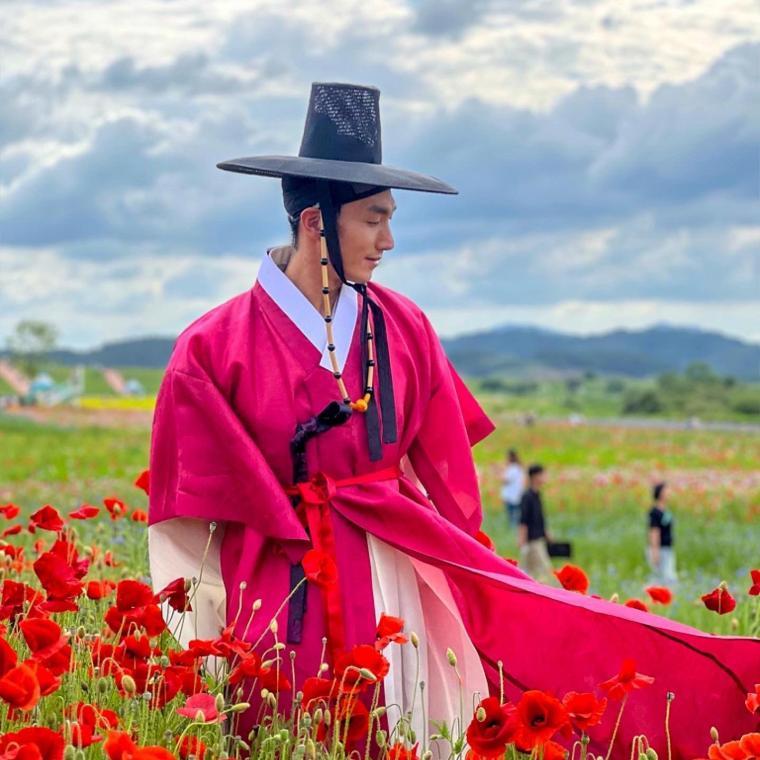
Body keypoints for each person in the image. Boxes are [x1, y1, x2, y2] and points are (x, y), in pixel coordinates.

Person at [148, 82, 759, 754]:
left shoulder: (403, 327)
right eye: (374, 218)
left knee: (406, 726)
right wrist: (202, 648)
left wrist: (473, 580)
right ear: (317, 220)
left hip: (393, 584)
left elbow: (448, 480)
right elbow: (190, 523)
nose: (389, 239)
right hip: (278, 588)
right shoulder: (211, 347)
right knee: (285, 733)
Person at [517, 463, 554, 583]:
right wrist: (522, 540)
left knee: (529, 573)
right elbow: (523, 520)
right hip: (532, 540)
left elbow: (539, 518)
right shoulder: (527, 497)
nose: (545, 477)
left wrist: (546, 532)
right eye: (542, 474)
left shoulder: (537, 495)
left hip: (539, 538)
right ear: (535, 476)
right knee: (545, 570)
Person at [647, 481, 677, 585]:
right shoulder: (655, 512)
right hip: (660, 549)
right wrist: (655, 552)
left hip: (667, 548)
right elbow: (654, 532)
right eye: (666, 490)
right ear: (660, 493)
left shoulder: (666, 511)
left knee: (665, 577)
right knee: (665, 578)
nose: (669, 492)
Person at [501, 448, 525, 526]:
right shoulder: (518, 467)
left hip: (511, 495)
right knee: (517, 513)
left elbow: (505, 480)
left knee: (512, 514)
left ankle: (513, 527)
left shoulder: (512, 468)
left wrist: (499, 473)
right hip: (517, 493)